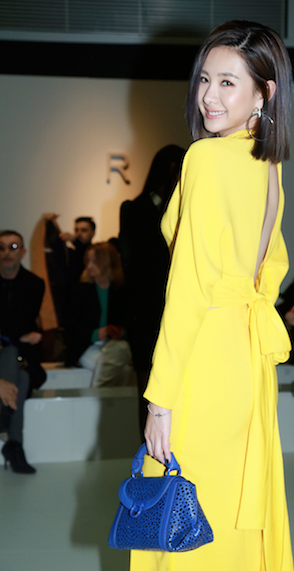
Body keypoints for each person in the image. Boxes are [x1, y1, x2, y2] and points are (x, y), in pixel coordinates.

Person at [129, 20, 294, 571]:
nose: (208, 96)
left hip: (204, 360)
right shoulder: (266, 164)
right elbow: (271, 269)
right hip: (245, 363)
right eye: (204, 79)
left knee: (180, 520)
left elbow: (190, 288)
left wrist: (160, 400)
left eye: (227, 82)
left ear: (263, 92)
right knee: (225, 511)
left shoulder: (206, 158)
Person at [119, 144, 185, 434]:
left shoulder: (183, 207)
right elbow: (129, 263)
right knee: (146, 388)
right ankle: (146, 449)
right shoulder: (134, 209)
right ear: (171, 169)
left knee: (177, 385)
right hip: (144, 311)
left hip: (174, 307)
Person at [0, 230, 46, 473]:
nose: (7, 253)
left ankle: (5, 417)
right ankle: (15, 445)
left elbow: (21, 321)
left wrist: (13, 335)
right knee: (22, 377)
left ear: (23, 252)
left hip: (19, 355)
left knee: (12, 356)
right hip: (15, 355)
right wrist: (17, 335)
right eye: (2, 247)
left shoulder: (34, 284)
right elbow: (19, 327)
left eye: (13, 247)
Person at [65, 242, 134, 387]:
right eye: (88, 261)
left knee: (117, 353)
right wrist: (95, 334)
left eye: (94, 261)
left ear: (107, 263)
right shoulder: (80, 291)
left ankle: (100, 395)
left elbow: (130, 324)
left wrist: (119, 332)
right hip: (87, 346)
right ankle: (103, 396)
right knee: (120, 367)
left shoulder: (122, 292)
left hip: (115, 345)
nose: (89, 266)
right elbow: (71, 328)